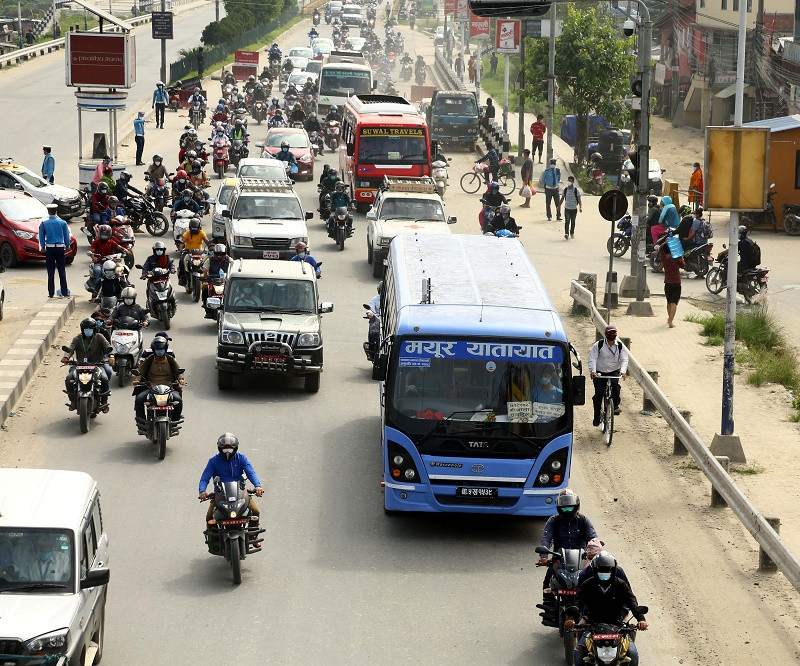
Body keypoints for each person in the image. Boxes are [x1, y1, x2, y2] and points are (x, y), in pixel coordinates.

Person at [566, 551, 648, 666]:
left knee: (633, 654)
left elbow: (632, 601)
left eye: (607, 570)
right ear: (595, 570)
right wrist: (572, 619)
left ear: (613, 570)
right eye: (601, 570)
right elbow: (578, 602)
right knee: (578, 654)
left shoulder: (621, 584)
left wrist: (641, 619)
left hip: (618, 624)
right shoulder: (587, 584)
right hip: (592, 624)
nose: (604, 573)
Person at [538, 489, 598, 627]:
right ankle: (550, 608)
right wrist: (544, 557)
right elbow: (546, 539)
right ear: (559, 508)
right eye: (564, 508)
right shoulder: (553, 521)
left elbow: (593, 539)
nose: (567, 511)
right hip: (559, 560)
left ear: (576, 507)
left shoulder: (583, 521)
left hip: (582, 560)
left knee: (593, 584)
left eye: (570, 507)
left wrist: (595, 552)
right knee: (547, 581)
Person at [198, 433, 264, 535]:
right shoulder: (213, 461)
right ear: (220, 448)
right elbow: (204, 478)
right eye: (224, 448)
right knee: (209, 517)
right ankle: (214, 540)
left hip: (240, 494)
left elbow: (250, 473)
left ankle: (253, 536)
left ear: (235, 448)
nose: (227, 451)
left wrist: (257, 486)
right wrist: (202, 491)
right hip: (220, 496)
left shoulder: (241, 458)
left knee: (255, 511)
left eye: (230, 448)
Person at [61, 318, 113, 412]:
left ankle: (104, 402)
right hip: (79, 366)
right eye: (86, 329)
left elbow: (108, 347)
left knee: (104, 379)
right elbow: (70, 349)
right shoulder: (77, 339)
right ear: (82, 329)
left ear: (94, 329)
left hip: (96, 365)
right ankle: (72, 401)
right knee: (69, 379)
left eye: (90, 329)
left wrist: (111, 356)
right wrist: (66, 357)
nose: (88, 331)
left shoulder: (99, 337)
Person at [133, 337, 184, 430]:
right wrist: (137, 380)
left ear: (165, 349)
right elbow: (141, 372)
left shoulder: (170, 359)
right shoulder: (149, 359)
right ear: (154, 350)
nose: (159, 352)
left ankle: (174, 422)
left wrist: (181, 379)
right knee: (139, 399)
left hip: (169, 387)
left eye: (161, 349)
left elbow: (178, 371)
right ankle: (142, 423)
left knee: (178, 400)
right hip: (151, 387)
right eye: (157, 350)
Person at [588, 324, 628, 427]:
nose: (612, 335)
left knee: (615, 387)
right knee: (598, 394)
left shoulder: (620, 346)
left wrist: (623, 371)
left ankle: (615, 406)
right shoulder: (599, 345)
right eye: (610, 333)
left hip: (613, 371)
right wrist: (593, 371)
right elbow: (592, 358)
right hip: (600, 372)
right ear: (606, 334)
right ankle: (597, 416)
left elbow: (624, 359)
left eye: (614, 333)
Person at [38, 204, 70, 299]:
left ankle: (51, 293)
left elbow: (41, 237)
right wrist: (67, 246)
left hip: (50, 249)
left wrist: (43, 247)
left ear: (48, 212)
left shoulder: (44, 223)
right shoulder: (63, 223)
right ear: (56, 211)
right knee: (62, 271)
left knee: (50, 272)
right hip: (60, 248)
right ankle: (65, 292)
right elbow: (66, 236)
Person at [177, 217, 212, 285]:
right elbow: (182, 242)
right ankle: (182, 278)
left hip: (199, 253)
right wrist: (181, 248)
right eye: (193, 228)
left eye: (196, 228)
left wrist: (211, 247)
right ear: (190, 228)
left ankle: (207, 277)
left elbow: (207, 241)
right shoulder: (187, 233)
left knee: (208, 262)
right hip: (188, 252)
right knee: (181, 260)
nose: (194, 230)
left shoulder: (202, 233)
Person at [660, 238, 686, 328]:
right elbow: (683, 265)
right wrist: (680, 255)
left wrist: (666, 242)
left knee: (669, 301)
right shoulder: (676, 258)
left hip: (667, 283)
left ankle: (669, 318)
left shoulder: (664, 259)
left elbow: (660, 248)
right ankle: (671, 321)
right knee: (674, 302)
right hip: (676, 283)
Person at [202, 244, 231, 314]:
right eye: (217, 254)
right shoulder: (209, 260)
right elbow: (205, 269)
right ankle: (206, 306)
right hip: (213, 281)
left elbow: (234, 267)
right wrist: (204, 277)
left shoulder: (229, 260)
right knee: (205, 288)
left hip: (226, 282)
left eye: (222, 254)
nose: (219, 256)